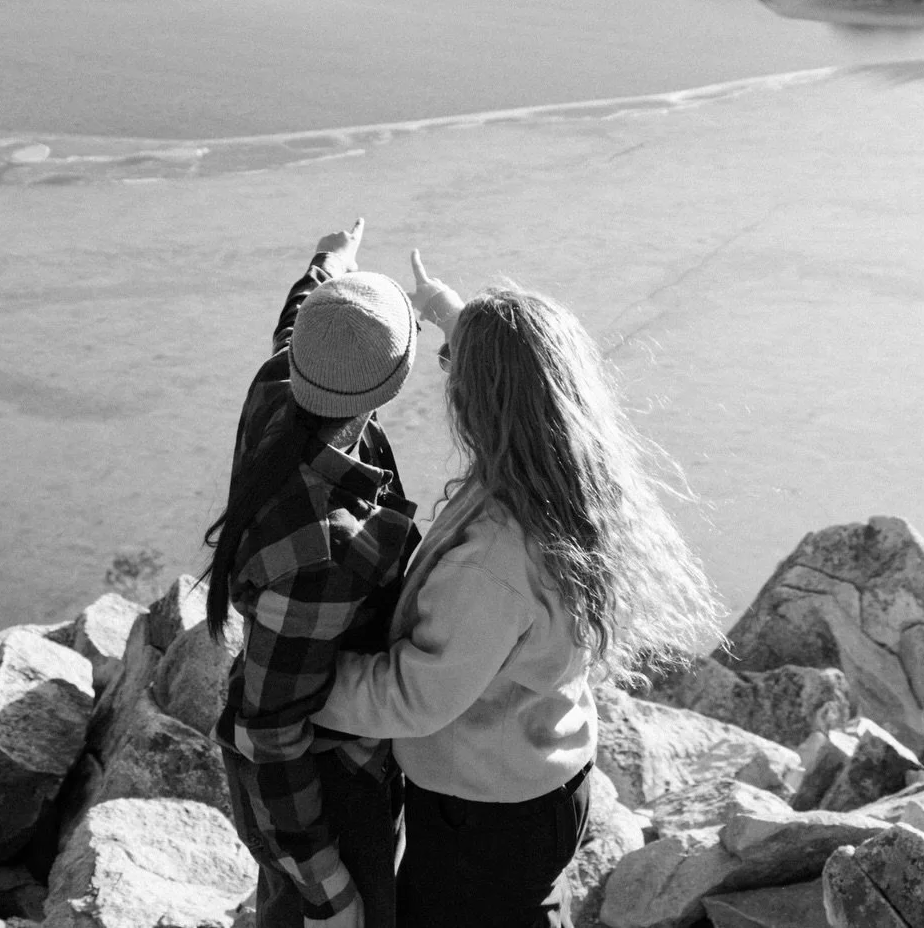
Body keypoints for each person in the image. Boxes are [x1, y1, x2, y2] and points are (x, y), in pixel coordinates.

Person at [319, 251, 723, 928]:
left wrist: (303, 687)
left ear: (478, 405)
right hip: (544, 779)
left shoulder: (492, 564)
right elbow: (518, 361)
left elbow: (415, 695)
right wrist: (443, 308)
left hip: (484, 817)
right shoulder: (567, 480)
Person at [206, 217, 420, 928]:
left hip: (308, 784)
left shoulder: (279, 389)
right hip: (322, 800)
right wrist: (330, 891)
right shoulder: (324, 553)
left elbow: (299, 321)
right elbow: (270, 736)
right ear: (391, 385)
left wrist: (332, 258)